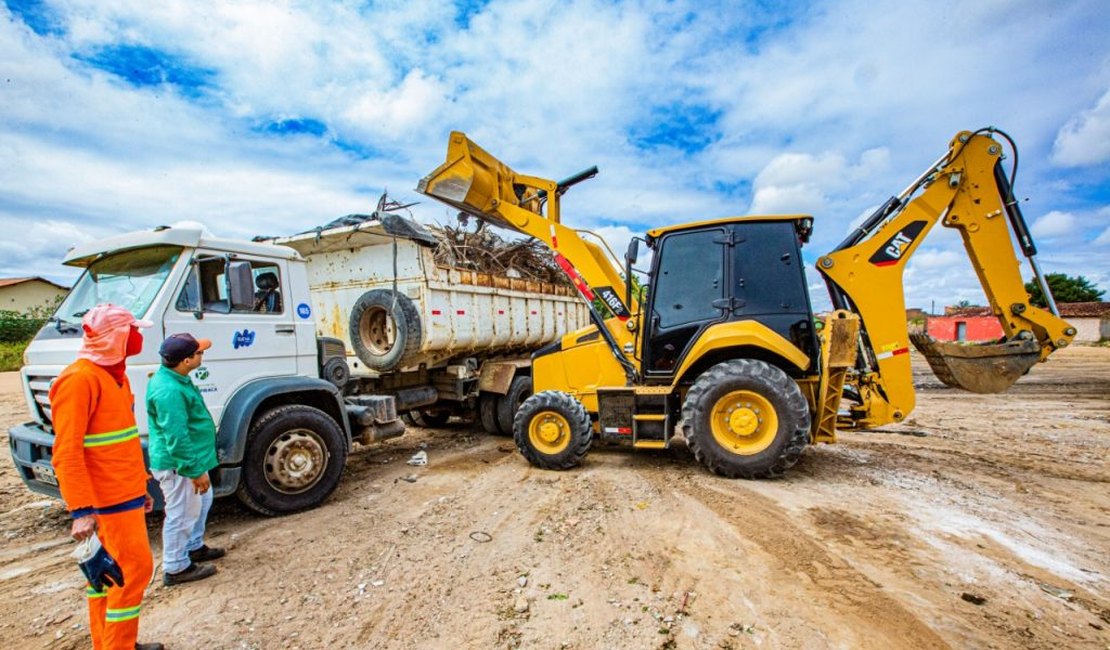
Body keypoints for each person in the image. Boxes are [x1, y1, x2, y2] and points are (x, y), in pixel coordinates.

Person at [49, 304, 163, 650]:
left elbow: (120, 440)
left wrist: (141, 484)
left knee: (105, 576)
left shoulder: (115, 375)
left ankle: (111, 643)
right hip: (106, 500)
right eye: (132, 330)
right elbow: (66, 452)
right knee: (131, 573)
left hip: (123, 494)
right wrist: (80, 509)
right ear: (116, 337)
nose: (139, 337)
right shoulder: (80, 380)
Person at [146, 333, 225, 586]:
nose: (202, 355)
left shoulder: (176, 379)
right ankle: (176, 567)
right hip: (178, 465)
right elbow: (176, 436)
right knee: (181, 513)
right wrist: (193, 470)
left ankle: (193, 546)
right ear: (186, 360)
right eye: (198, 353)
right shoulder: (168, 391)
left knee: (202, 501)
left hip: (191, 461)